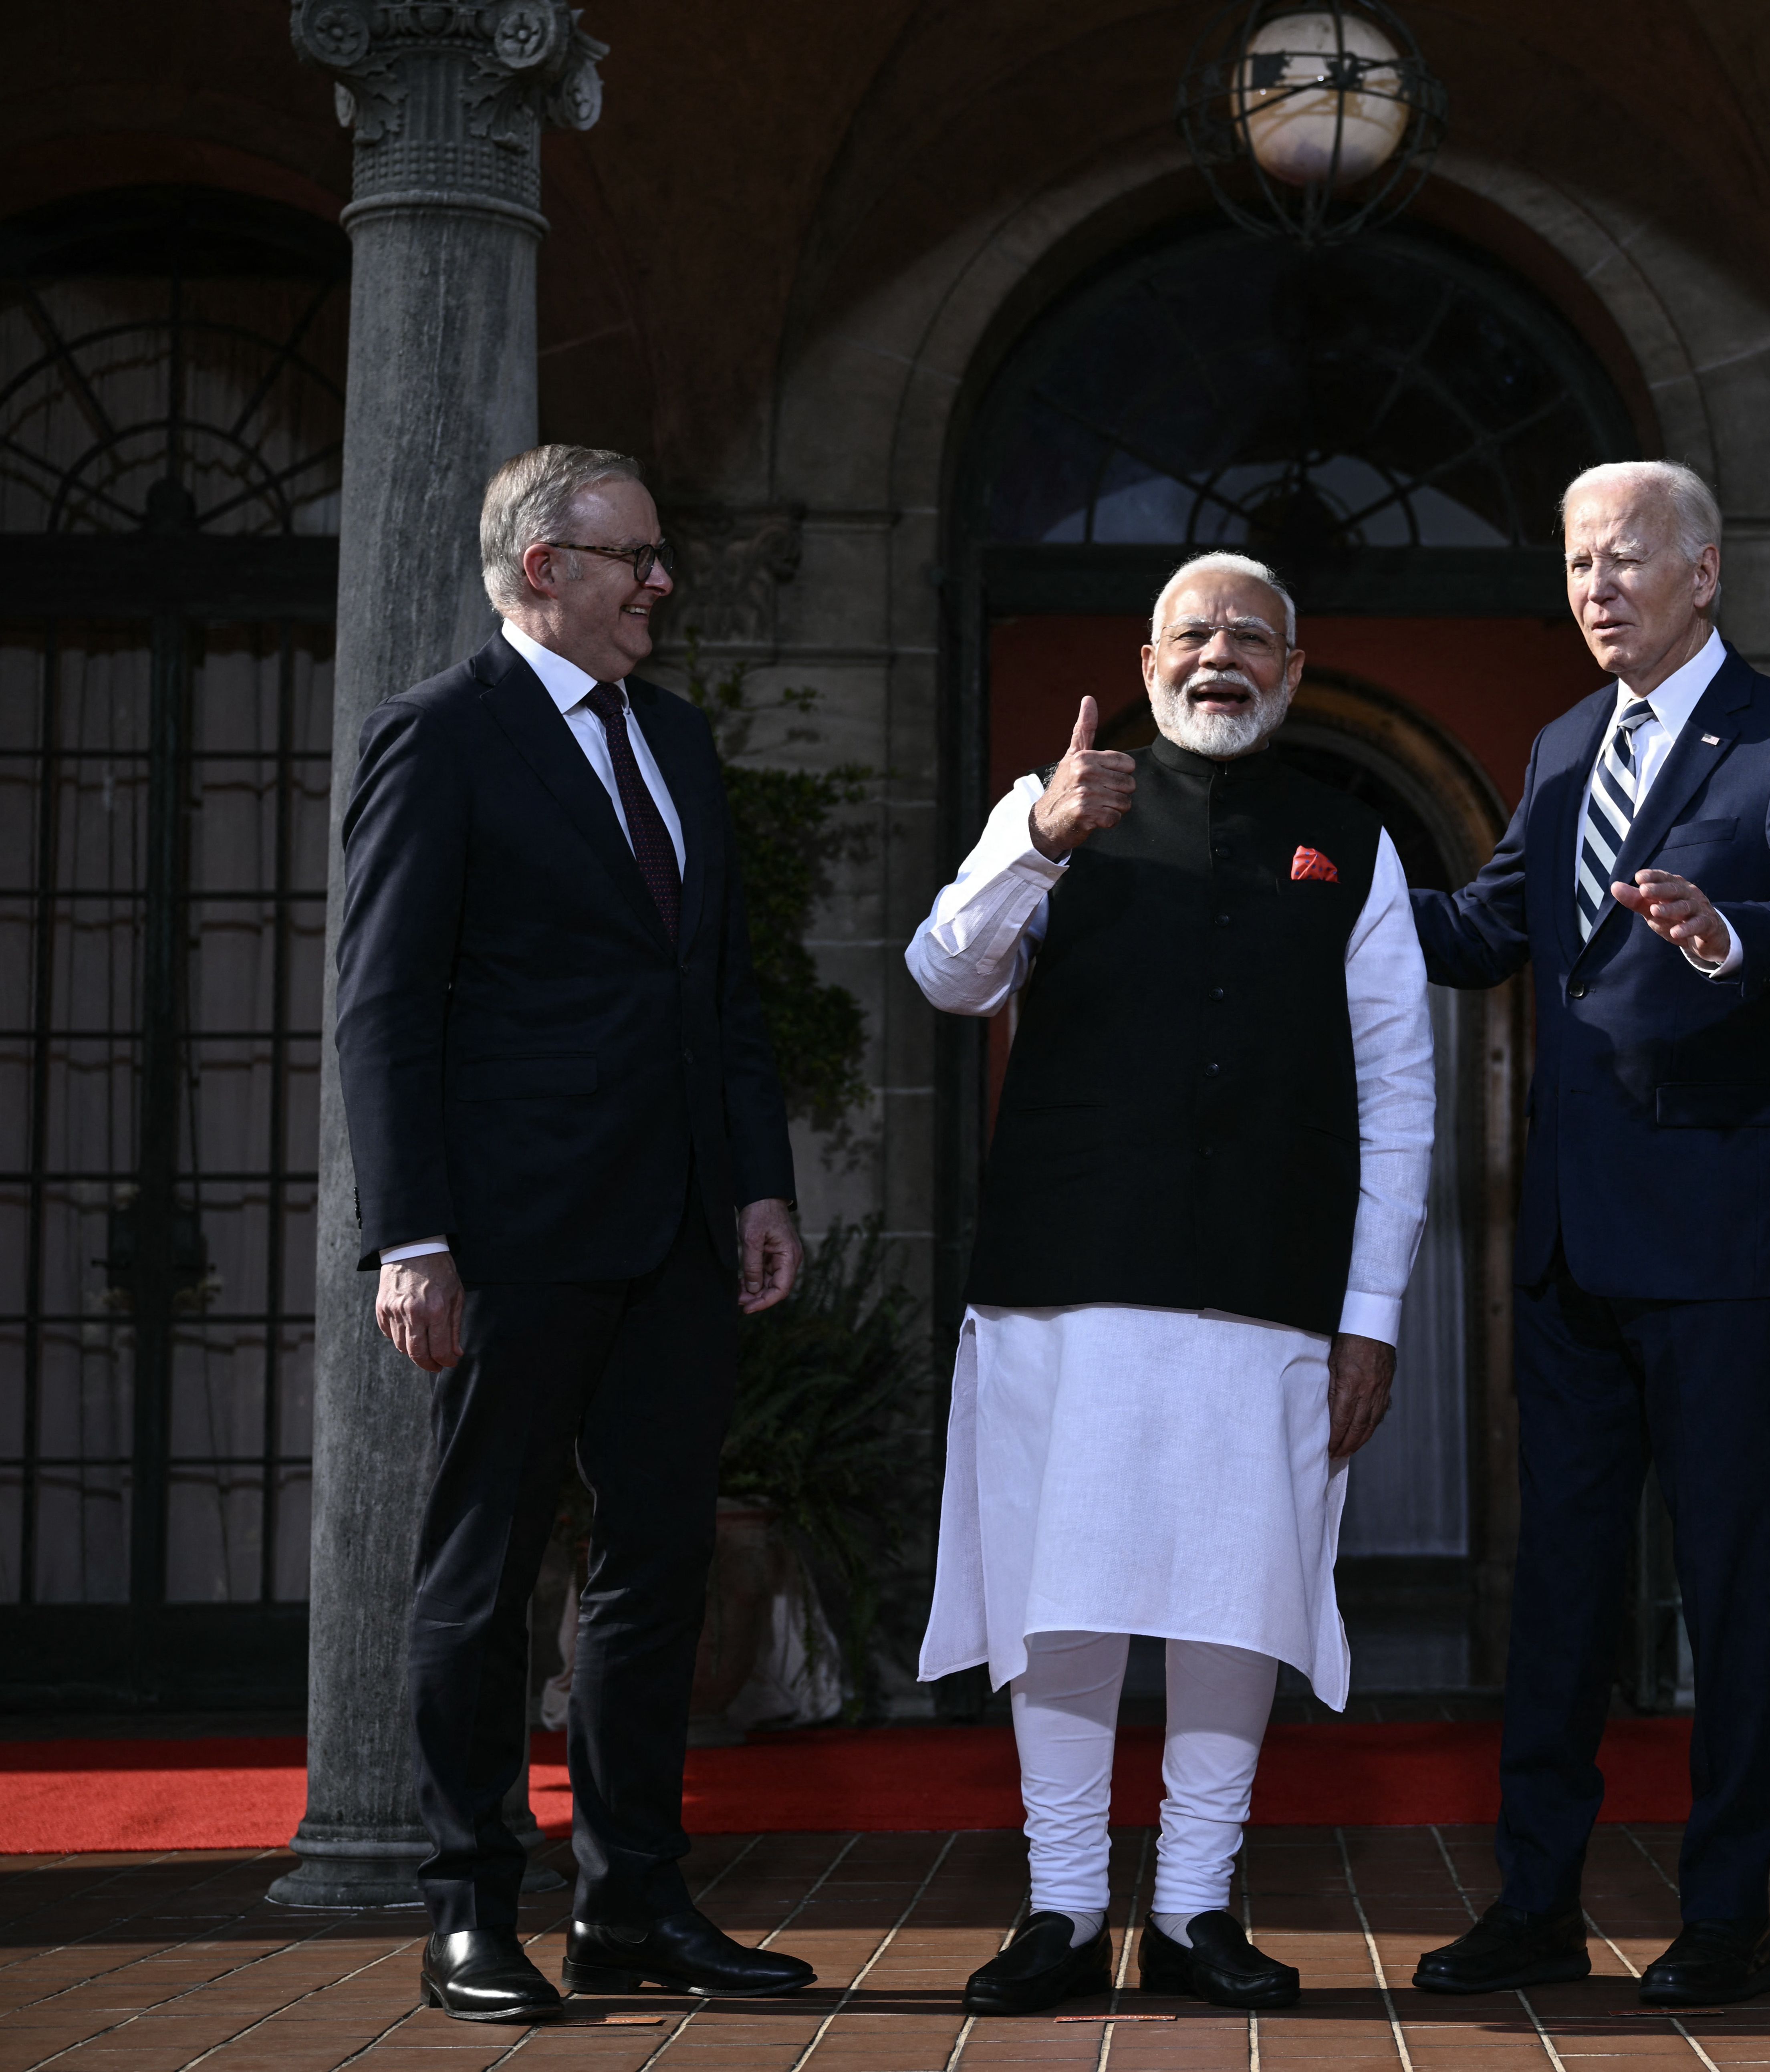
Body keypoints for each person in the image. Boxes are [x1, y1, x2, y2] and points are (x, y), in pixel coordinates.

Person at [907, 551, 1435, 2017]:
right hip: (1062, 1289)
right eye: (1194, 634)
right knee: (1059, 1604)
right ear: (1146, 664)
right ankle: (1065, 1907)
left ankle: (1198, 1908)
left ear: (1294, 670)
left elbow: (1399, 1093)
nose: (1222, 656)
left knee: (1232, 1604)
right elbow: (944, 974)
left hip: (1267, 1298)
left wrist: (1372, 1317)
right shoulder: (1057, 808)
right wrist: (1035, 837)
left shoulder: (1354, 842)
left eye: (1252, 638)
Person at [336, 445, 814, 2021]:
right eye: (636, 558)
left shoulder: (674, 738)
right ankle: (469, 1908)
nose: (659, 583)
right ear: (544, 568)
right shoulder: (440, 739)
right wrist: (412, 1235)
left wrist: (757, 1186)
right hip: (513, 1235)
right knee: (481, 1575)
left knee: (654, 1569)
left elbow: (721, 994)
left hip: (677, 1227)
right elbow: (385, 1013)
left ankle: (631, 1906)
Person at [1405, 461, 1770, 2007]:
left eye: (1621, 558)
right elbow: (1484, 928)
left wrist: (1736, 933)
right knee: (1561, 1589)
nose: (1594, 585)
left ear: (1704, 571)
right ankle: (1537, 1900)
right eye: (1573, 564)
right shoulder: (1559, 746)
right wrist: (1315, 884)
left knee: (1735, 1584)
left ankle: (1729, 1913)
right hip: (1570, 1245)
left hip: (1730, 1237)